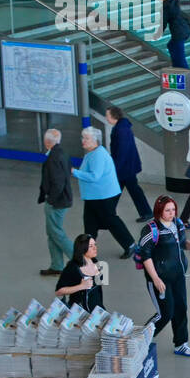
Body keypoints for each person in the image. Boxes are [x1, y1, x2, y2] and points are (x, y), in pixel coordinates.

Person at [138, 195, 190, 357]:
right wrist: (155, 279)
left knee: (181, 308)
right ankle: (140, 340)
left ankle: (181, 343)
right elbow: (145, 255)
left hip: (178, 275)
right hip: (160, 278)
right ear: (159, 211)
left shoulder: (178, 223)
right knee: (165, 313)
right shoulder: (151, 230)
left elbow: (182, 243)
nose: (171, 213)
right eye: (167, 210)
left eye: (173, 209)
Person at [72, 126, 137, 259]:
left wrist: (74, 172)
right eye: (82, 137)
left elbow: (95, 176)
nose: (83, 141)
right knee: (90, 223)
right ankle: (87, 250)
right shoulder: (92, 153)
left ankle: (130, 244)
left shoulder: (98, 155)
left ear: (95, 140)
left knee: (111, 220)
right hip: (94, 196)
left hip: (103, 196)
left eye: (86, 138)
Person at [105, 105, 152, 221]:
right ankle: (108, 213)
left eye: (107, 115)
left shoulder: (121, 130)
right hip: (126, 166)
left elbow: (122, 151)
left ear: (113, 116)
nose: (106, 118)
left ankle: (107, 214)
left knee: (125, 190)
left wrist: (115, 168)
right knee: (122, 190)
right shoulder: (121, 127)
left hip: (125, 167)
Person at [38, 128, 73, 276]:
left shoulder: (53, 158)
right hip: (62, 200)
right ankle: (57, 265)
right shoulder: (62, 153)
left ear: (47, 142)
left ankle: (81, 262)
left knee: (57, 233)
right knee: (52, 233)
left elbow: (58, 183)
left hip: (56, 202)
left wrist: (51, 200)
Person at [55, 235, 105, 311]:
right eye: (91, 246)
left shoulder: (97, 262)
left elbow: (98, 290)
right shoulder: (72, 267)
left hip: (98, 311)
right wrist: (81, 286)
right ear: (82, 248)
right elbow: (59, 291)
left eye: (95, 244)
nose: (95, 248)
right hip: (80, 313)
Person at [157, 0, 190, 69]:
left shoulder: (165, 6)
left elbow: (163, 22)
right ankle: (176, 66)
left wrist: (158, 33)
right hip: (187, 29)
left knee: (180, 57)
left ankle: (183, 71)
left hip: (178, 33)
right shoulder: (177, 1)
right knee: (171, 45)